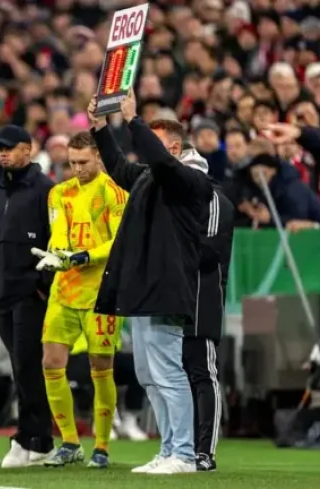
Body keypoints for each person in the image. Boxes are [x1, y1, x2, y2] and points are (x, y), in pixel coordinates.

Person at [90, 91, 214, 474]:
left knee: (168, 370)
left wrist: (133, 120)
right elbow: (118, 167)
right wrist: (100, 128)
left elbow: (159, 163)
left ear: (174, 148)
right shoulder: (150, 177)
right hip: (143, 286)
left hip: (166, 284)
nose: (143, 149)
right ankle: (168, 448)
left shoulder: (191, 180)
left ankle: (184, 453)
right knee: (148, 374)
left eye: (152, 142)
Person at [33, 131, 127, 468]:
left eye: (83, 162)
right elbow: (59, 231)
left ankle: (102, 446)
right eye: (72, 163)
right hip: (65, 289)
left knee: (100, 367)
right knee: (50, 363)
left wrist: (82, 256)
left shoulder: (115, 192)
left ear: (99, 157)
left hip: (102, 293)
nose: (77, 169)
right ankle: (70, 442)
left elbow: (118, 244)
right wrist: (57, 254)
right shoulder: (59, 193)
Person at [0, 124, 57, 468]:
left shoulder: (46, 189)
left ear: (29, 149)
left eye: (10, 147)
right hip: (1, 294)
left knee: (28, 367)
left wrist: (40, 285)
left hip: (29, 294)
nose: (3, 153)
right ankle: (35, 438)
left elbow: (57, 241)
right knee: (20, 367)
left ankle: (33, 438)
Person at [182, 175, 235, 472]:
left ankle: (204, 451)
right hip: (173, 300)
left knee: (202, 373)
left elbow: (208, 252)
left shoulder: (215, 201)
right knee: (177, 377)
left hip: (203, 300)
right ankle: (179, 447)